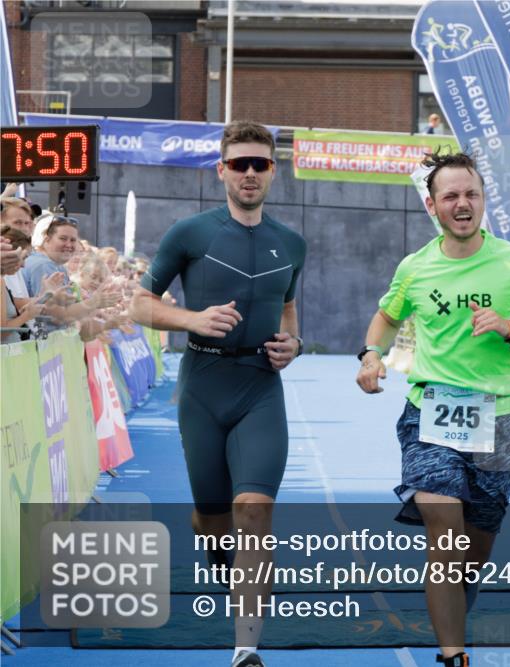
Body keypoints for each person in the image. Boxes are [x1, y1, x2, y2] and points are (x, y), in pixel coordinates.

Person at [356, 150, 510, 667]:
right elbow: (386, 318)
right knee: (444, 528)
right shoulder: (416, 267)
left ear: (483, 200)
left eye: (471, 193)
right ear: (432, 206)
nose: (462, 203)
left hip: (500, 422)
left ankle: (453, 612)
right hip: (431, 413)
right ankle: (454, 655)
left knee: (472, 555)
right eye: (450, 195)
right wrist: (371, 355)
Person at [129, 120, 307, 667]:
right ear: (221, 171)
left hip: (260, 388)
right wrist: (192, 319)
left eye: (260, 164)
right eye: (239, 164)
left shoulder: (291, 243)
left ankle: (245, 649)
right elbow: (138, 303)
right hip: (203, 388)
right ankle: (216, 546)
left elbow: (287, 307)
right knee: (214, 519)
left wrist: (294, 343)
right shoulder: (190, 233)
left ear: (273, 171)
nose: (249, 173)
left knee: (253, 510)